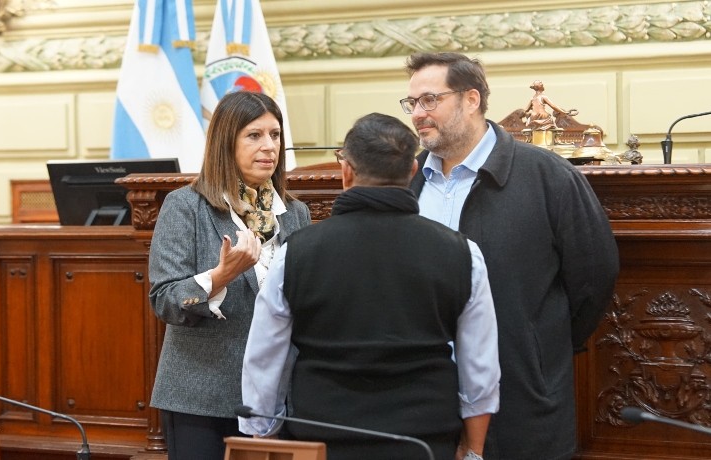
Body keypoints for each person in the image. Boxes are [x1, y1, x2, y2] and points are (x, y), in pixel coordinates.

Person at [239, 112, 500, 460]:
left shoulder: (297, 253)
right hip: (425, 441)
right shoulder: (462, 253)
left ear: (345, 171)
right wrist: (473, 449)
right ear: (411, 173)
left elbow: (264, 357)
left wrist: (262, 439)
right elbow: (480, 366)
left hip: (323, 439)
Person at [402, 52, 619, 460]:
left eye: (430, 100)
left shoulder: (546, 175)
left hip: (519, 396)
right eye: (412, 103)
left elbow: (594, 275)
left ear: (471, 99)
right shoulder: (407, 181)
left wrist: (538, 345)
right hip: (423, 399)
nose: (418, 113)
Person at [148, 90, 312, 460]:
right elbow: (165, 300)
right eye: (254, 135)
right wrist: (219, 276)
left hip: (277, 394)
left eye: (275, 134)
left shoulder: (295, 213)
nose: (269, 146)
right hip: (202, 396)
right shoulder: (186, 206)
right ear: (226, 142)